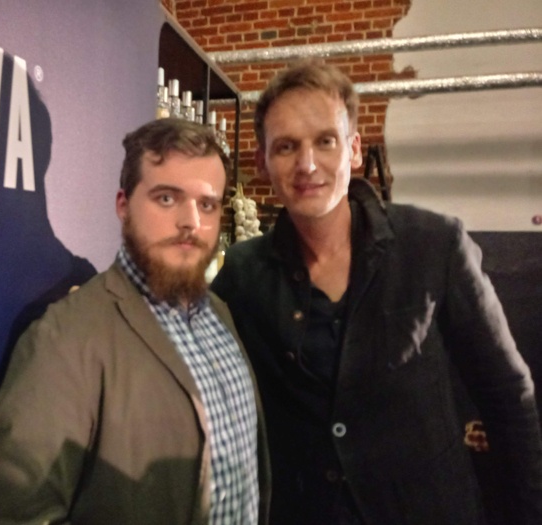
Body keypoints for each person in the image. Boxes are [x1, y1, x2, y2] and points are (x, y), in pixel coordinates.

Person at [211, 60, 542, 525]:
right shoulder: (243, 274)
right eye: (286, 146)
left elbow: (507, 396)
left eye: (325, 141)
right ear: (262, 162)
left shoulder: (434, 244)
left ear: (353, 150)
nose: (307, 164)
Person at [0, 118, 270, 525]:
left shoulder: (220, 314)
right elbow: (21, 514)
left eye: (207, 204)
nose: (191, 221)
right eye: (167, 198)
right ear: (123, 206)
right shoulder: (62, 339)